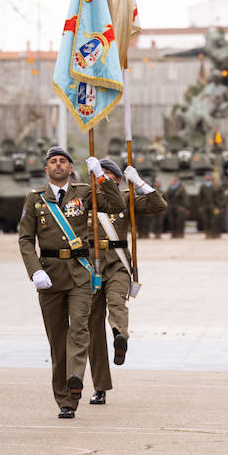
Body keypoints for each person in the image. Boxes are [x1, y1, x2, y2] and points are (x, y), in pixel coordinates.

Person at [17, 146, 125, 419]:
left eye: (62, 161)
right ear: (46, 169)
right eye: (53, 161)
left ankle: (75, 380)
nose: (58, 165)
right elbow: (25, 239)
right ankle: (64, 399)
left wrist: (101, 177)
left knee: (79, 328)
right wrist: (34, 271)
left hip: (80, 273)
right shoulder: (35, 199)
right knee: (57, 340)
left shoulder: (84, 192)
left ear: (69, 167)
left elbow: (116, 205)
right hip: (50, 276)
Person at [86, 159, 164, 405]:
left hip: (117, 263)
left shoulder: (125, 198)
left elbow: (158, 205)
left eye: (108, 176)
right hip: (90, 264)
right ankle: (100, 386)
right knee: (92, 328)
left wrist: (140, 182)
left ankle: (120, 335)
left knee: (117, 302)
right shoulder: (87, 198)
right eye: (100, 175)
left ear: (117, 180)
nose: (102, 180)